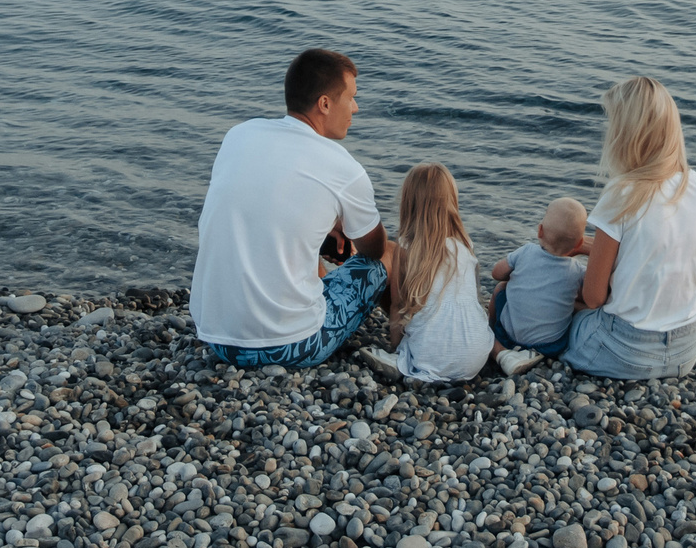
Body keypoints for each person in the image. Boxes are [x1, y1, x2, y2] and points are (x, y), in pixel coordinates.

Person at [190, 48, 388, 368]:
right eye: (350, 97)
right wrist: (341, 225)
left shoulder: (239, 135)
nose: (356, 107)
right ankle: (413, 344)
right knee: (386, 259)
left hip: (216, 337)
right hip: (291, 347)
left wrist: (329, 223)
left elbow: (267, 205)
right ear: (324, 104)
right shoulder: (343, 167)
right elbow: (373, 249)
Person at [562, 75, 696, 379]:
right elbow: (659, 251)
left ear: (626, 134)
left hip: (624, 350)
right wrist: (584, 247)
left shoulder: (622, 193)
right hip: (686, 349)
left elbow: (594, 297)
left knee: (559, 305)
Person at [362, 163, 497, 384]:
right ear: (452, 202)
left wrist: (395, 346)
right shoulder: (464, 245)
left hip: (429, 356)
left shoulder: (405, 248)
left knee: (412, 332)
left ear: (409, 203)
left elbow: (396, 307)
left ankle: (401, 362)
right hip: (476, 357)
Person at [489, 196, 588, 360]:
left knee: (500, 288)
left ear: (540, 230)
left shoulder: (526, 251)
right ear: (579, 244)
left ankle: (491, 327)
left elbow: (496, 274)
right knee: (569, 303)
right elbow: (587, 296)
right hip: (551, 346)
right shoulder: (577, 270)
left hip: (508, 338)